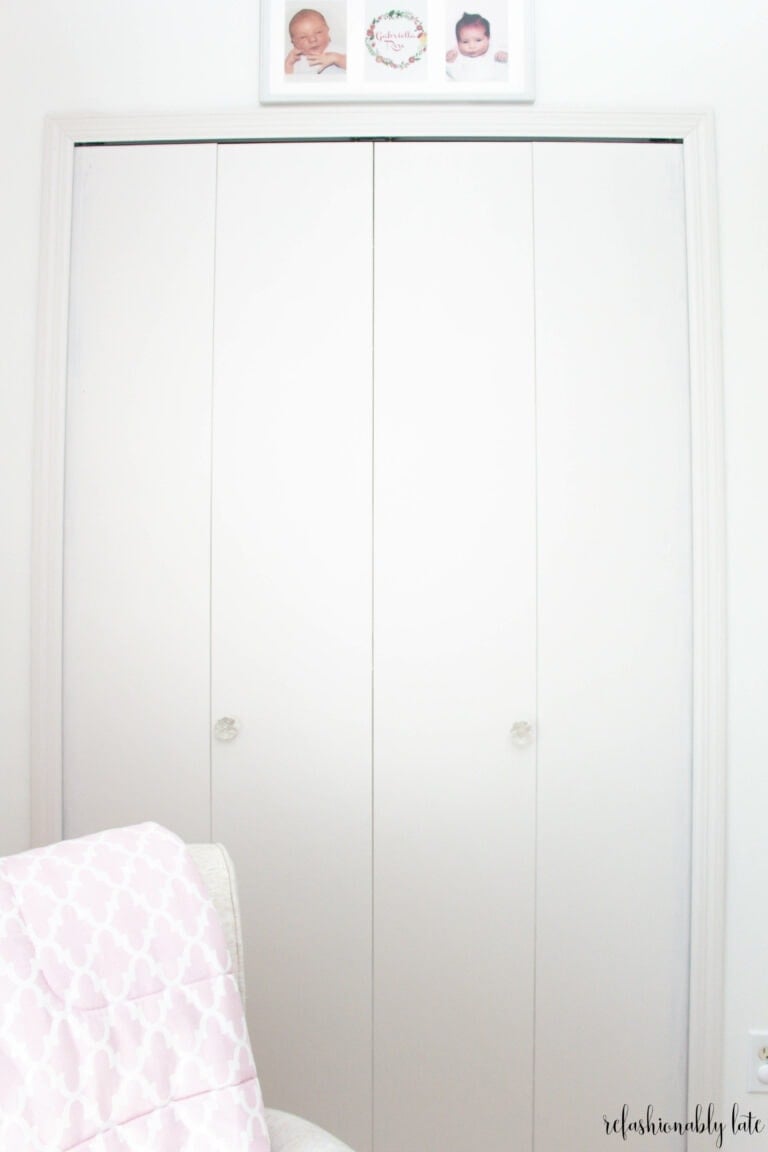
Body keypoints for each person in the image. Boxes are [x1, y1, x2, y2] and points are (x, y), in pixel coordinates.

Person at [446, 12, 508, 81]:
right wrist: (449, 62)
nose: (472, 46)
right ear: (457, 42)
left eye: (478, 40)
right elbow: (452, 75)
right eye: (465, 42)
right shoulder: (456, 55)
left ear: (488, 38)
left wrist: (504, 56)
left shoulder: (494, 52)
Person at [285, 8, 346, 76]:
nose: (312, 39)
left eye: (318, 32)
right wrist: (288, 65)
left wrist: (335, 58)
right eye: (303, 37)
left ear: (327, 30)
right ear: (294, 42)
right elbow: (287, 81)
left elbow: (356, 66)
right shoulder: (295, 62)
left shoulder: (336, 51)